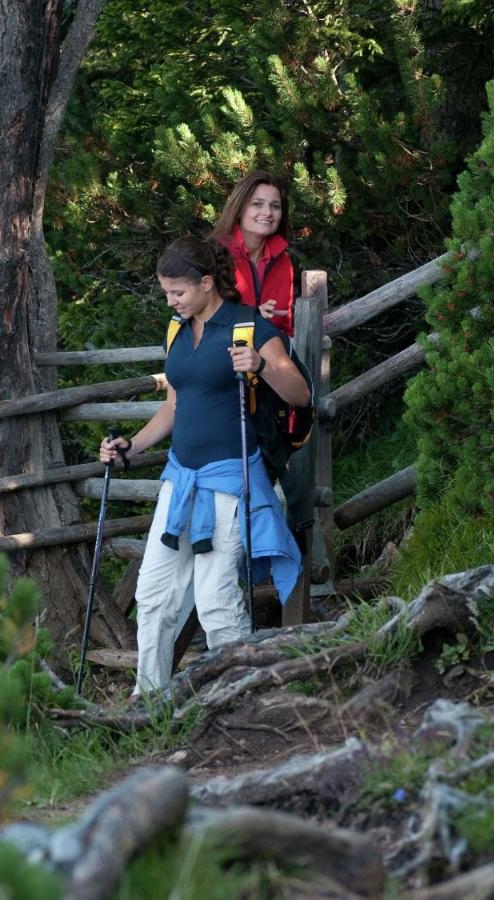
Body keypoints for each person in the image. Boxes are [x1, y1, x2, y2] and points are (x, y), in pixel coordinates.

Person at [99, 235, 309, 696]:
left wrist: (260, 365)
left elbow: (300, 393)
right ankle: (147, 702)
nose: (171, 301)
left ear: (207, 283)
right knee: (153, 596)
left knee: (216, 599)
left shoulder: (247, 328)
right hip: (181, 479)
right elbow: (175, 407)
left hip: (231, 481)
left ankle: (238, 696)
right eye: (167, 293)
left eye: (178, 292)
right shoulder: (177, 331)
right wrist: (131, 446)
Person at [211, 170, 296, 337]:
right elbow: (203, 319)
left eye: (275, 206)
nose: (268, 213)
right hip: (221, 356)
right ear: (240, 209)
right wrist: (254, 315)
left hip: (270, 357)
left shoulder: (283, 262)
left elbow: (285, 327)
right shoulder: (214, 254)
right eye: (257, 204)